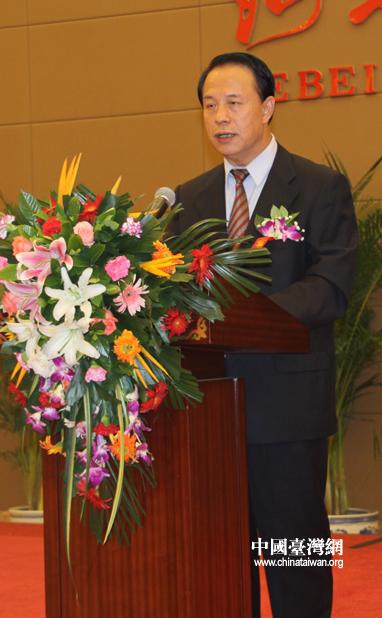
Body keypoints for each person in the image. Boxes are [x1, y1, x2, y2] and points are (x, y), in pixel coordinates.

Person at [167, 52, 358, 618]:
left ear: (269, 107)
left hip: (288, 408)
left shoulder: (319, 186)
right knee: (220, 563)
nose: (220, 117)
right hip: (207, 412)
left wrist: (246, 316)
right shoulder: (188, 198)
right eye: (209, 105)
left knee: (296, 559)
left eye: (234, 102)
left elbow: (331, 286)